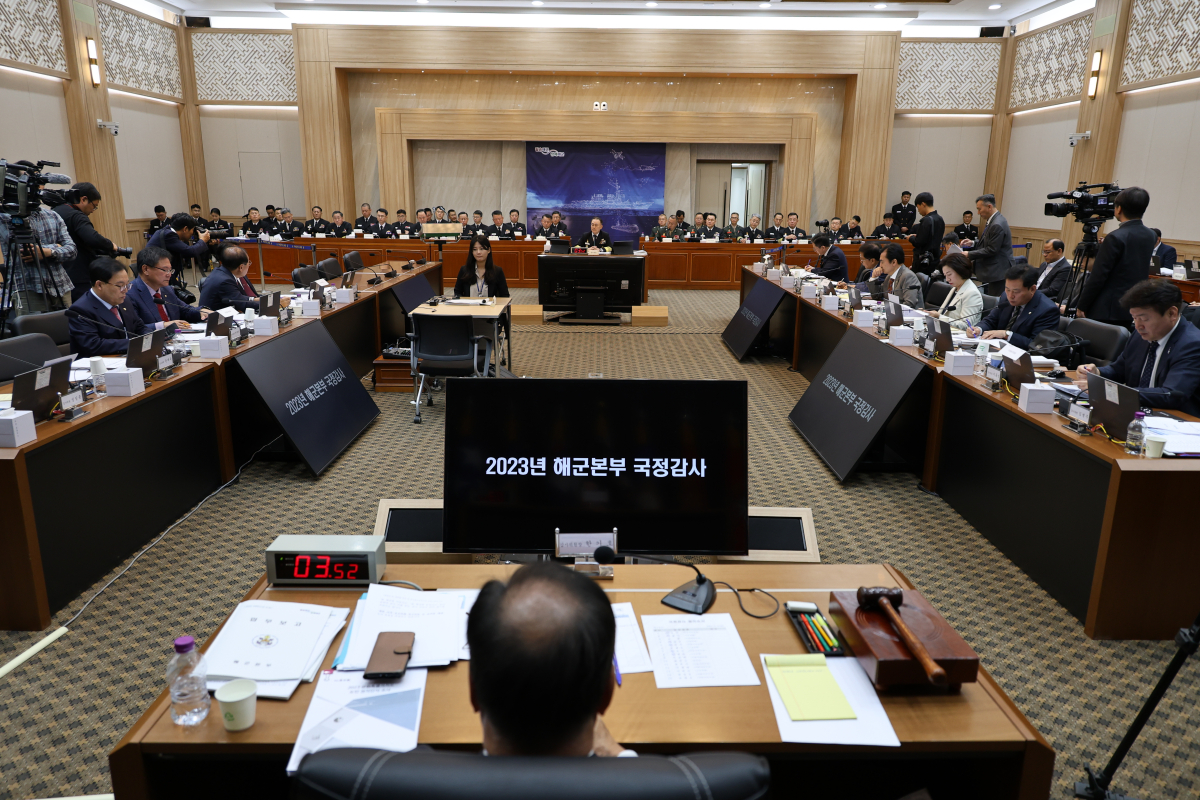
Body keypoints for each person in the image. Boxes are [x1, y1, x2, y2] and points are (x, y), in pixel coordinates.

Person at [468, 561, 629, 758]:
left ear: (473, 690)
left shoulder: (422, 783)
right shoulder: (661, 785)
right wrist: (619, 755)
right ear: (607, 692)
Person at [1078, 280, 1200, 416]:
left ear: (1172, 314)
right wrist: (1097, 373)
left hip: (1177, 420)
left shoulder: (1192, 344)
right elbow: (1118, 370)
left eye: (1144, 319)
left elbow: (1171, 394)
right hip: (1136, 413)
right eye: (1134, 318)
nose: (1138, 326)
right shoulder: (1140, 335)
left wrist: (1114, 391)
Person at [1072, 187, 1155, 328]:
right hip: (1133, 304)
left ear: (1118, 209)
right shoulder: (1151, 235)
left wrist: (1081, 305)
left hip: (1106, 309)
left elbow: (1098, 276)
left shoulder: (1115, 237)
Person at [0, 190, 78, 313]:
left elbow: (72, 250)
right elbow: (23, 248)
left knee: (66, 330)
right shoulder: (4, 217)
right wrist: (56, 246)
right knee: (35, 331)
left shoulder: (53, 215)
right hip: (28, 289)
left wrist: (49, 252)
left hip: (61, 286)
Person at [67, 257, 148, 357]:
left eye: (127, 285)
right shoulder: (80, 310)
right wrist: (135, 343)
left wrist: (152, 338)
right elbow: (93, 345)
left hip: (129, 358)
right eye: (120, 286)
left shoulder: (124, 300)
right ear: (99, 285)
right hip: (98, 366)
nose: (125, 290)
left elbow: (139, 327)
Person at [53, 182, 119, 301]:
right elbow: (92, 238)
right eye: (94, 206)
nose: (94, 210)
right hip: (79, 275)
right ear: (84, 199)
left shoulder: (55, 210)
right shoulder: (77, 215)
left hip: (57, 273)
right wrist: (111, 246)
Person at [967, 265, 1059, 347]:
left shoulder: (1047, 310)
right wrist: (978, 329)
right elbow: (991, 320)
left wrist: (1007, 334)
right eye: (1007, 289)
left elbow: (1036, 344)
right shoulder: (1005, 297)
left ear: (1032, 289)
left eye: (1016, 291)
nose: (1010, 296)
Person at [127, 245, 206, 330]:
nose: (169, 274)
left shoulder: (167, 289)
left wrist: (202, 311)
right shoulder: (130, 294)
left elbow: (185, 310)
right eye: (164, 270)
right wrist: (163, 325)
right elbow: (134, 328)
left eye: (170, 270)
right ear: (145, 269)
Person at [198, 245, 286, 313]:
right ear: (241, 267)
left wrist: (269, 299)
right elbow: (242, 303)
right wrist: (274, 304)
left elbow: (243, 298)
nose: (249, 265)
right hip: (212, 324)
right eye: (249, 263)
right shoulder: (224, 281)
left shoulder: (221, 272)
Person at [962, 193, 1013, 296]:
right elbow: (990, 242)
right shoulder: (994, 220)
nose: (978, 212)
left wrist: (969, 254)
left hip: (997, 271)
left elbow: (992, 249)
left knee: (993, 301)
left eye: (979, 209)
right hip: (993, 270)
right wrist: (973, 243)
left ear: (989, 206)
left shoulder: (997, 224)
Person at [927, 253, 982, 331]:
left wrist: (939, 317)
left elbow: (966, 326)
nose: (947, 279)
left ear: (960, 271)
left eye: (949, 274)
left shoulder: (972, 293)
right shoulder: (955, 287)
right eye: (945, 275)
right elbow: (942, 313)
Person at [860, 243, 923, 308]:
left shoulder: (908, 276)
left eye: (882, 262)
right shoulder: (889, 277)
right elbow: (877, 296)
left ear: (894, 262)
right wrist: (874, 277)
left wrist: (886, 307)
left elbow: (909, 305)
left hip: (911, 316)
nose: (880, 265)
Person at [148, 213, 210, 277]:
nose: (192, 233)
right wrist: (203, 240)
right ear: (185, 229)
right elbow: (191, 251)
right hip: (155, 277)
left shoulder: (166, 231)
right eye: (192, 230)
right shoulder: (169, 235)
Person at [907, 192, 945, 275]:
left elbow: (919, 242)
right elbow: (933, 237)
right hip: (934, 259)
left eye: (918, 207)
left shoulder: (926, 220)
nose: (918, 211)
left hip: (923, 262)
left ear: (923, 204)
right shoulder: (940, 219)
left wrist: (910, 238)